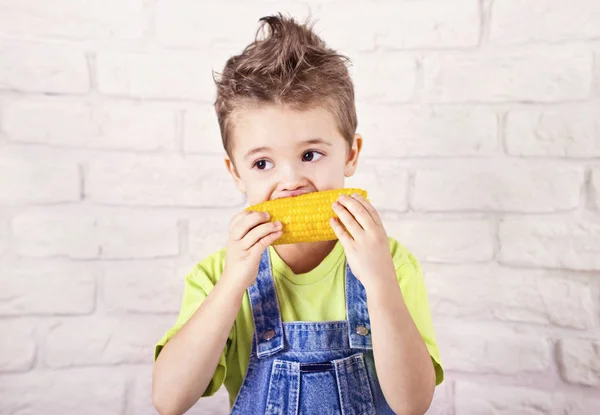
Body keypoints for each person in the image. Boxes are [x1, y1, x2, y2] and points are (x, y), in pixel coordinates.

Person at [152, 13, 444, 415]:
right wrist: (233, 283)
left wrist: (380, 284)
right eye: (262, 164)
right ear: (235, 173)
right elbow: (168, 401)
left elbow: (413, 404)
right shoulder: (216, 275)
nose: (290, 181)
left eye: (310, 155)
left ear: (351, 154)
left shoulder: (392, 264)